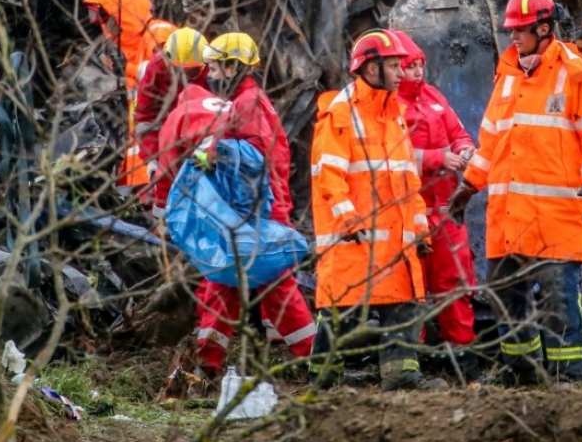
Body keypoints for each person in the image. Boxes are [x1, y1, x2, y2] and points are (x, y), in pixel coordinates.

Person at [448, 0, 582, 384]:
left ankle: (566, 374)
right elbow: (491, 142)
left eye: (521, 31)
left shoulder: (574, 73)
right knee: (508, 302)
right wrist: (469, 184)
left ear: (544, 27)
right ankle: (522, 371)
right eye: (511, 31)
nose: (513, 38)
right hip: (508, 220)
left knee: (559, 305)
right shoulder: (506, 76)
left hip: (555, 219)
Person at [179, 31, 315, 377]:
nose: (209, 74)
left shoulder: (247, 104)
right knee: (226, 281)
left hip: (257, 209)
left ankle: (312, 357)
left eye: (215, 67)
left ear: (233, 67)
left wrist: (213, 154)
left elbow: (254, 160)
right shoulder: (246, 101)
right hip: (254, 208)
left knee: (271, 284)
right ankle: (209, 361)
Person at [309, 29, 436, 391]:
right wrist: (348, 219)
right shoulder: (341, 114)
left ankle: (402, 377)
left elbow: (407, 178)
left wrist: (420, 227)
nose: (401, 73)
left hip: (395, 239)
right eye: (394, 66)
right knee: (342, 312)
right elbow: (327, 174)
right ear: (370, 68)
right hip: (355, 240)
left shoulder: (393, 114)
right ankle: (323, 383)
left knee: (403, 307)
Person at [390, 29, 479, 372]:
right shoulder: (389, 107)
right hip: (410, 217)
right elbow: (390, 157)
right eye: (410, 66)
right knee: (412, 292)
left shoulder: (434, 97)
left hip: (445, 215)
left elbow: (458, 133)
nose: (416, 73)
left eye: (420, 66)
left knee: (456, 287)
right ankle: (414, 364)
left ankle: (465, 362)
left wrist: (464, 150)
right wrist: (436, 158)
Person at [82, 0, 173, 198]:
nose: (104, 25)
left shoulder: (159, 35)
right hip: (142, 169)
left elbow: (166, 78)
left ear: (122, 14)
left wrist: (125, 70)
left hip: (160, 161)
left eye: (105, 16)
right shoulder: (128, 49)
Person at [141, 27, 210, 215]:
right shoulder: (156, 68)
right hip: (166, 130)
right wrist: (152, 157)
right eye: (178, 70)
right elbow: (145, 116)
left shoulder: (214, 73)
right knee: (162, 183)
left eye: (192, 72)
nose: (184, 78)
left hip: (199, 137)